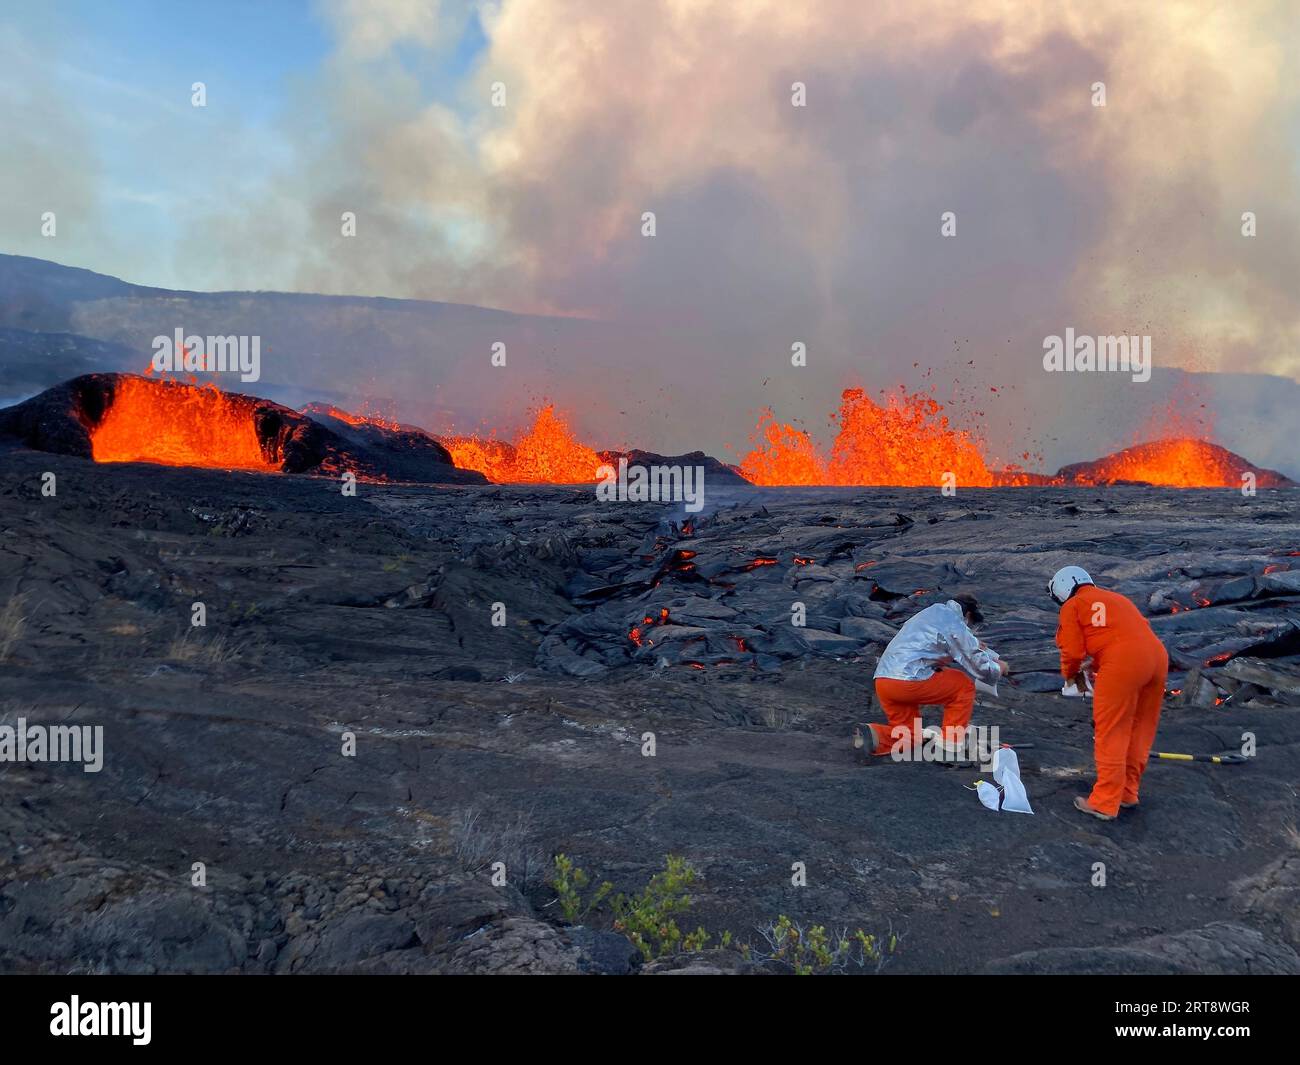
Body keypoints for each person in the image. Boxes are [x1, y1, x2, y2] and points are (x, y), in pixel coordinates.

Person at [1048, 565, 1169, 821]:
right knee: (1141, 727)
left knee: (1112, 730)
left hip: (1122, 663)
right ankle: (1127, 792)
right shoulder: (1117, 598)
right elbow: (1124, 636)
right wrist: (1096, 664)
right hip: (1157, 658)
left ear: (1062, 588)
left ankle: (1104, 802)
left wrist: (1071, 675)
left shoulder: (1072, 606)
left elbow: (1072, 651)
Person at [853, 594, 1007, 760]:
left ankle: (874, 735)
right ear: (968, 615)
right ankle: (950, 748)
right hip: (908, 681)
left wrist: (973, 643)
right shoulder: (952, 621)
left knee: (910, 735)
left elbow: (930, 649)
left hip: (884, 681)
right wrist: (998, 668)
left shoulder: (929, 614)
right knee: (962, 685)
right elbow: (975, 662)